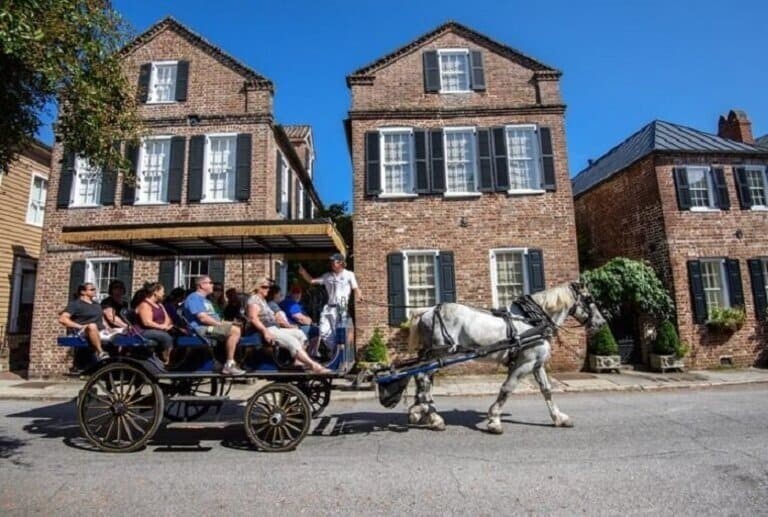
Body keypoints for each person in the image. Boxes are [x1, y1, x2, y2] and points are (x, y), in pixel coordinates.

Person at [245, 277, 330, 374]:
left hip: (275, 327)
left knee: (300, 334)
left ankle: (298, 361)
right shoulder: (254, 300)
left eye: (268, 287)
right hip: (267, 329)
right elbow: (253, 318)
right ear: (257, 288)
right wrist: (265, 332)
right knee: (292, 340)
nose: (268, 289)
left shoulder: (262, 300)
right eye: (264, 287)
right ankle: (314, 365)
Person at [298, 253, 361, 353]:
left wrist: (359, 297)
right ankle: (334, 351)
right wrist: (303, 273)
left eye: (334, 261)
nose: (331, 263)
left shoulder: (349, 274)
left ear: (341, 263)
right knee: (323, 331)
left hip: (342, 306)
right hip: (329, 307)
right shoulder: (327, 276)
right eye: (331, 261)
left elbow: (356, 288)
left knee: (340, 330)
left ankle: (339, 352)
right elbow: (312, 281)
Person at [182, 275, 244, 375]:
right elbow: (203, 318)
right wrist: (221, 325)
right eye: (210, 283)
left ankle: (230, 361)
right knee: (234, 331)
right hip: (200, 329)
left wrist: (229, 323)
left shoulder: (207, 301)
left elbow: (216, 318)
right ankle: (229, 365)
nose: (212, 285)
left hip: (211, 326)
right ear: (201, 285)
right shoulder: (194, 298)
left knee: (236, 328)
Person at [58, 282, 122, 360]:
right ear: (83, 292)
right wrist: (80, 326)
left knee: (122, 331)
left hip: (100, 331)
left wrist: (108, 328)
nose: (94, 291)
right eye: (92, 289)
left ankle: (120, 357)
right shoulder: (75, 304)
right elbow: (63, 319)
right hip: (83, 331)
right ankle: (100, 352)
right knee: (92, 325)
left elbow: (101, 319)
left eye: (95, 289)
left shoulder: (96, 305)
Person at [135, 282, 174, 364]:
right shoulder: (145, 305)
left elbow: (167, 318)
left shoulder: (160, 305)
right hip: (143, 331)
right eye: (162, 291)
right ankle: (166, 360)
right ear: (155, 292)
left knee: (176, 333)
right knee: (165, 337)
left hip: (158, 329)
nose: (164, 293)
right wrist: (162, 327)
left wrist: (166, 326)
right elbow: (147, 322)